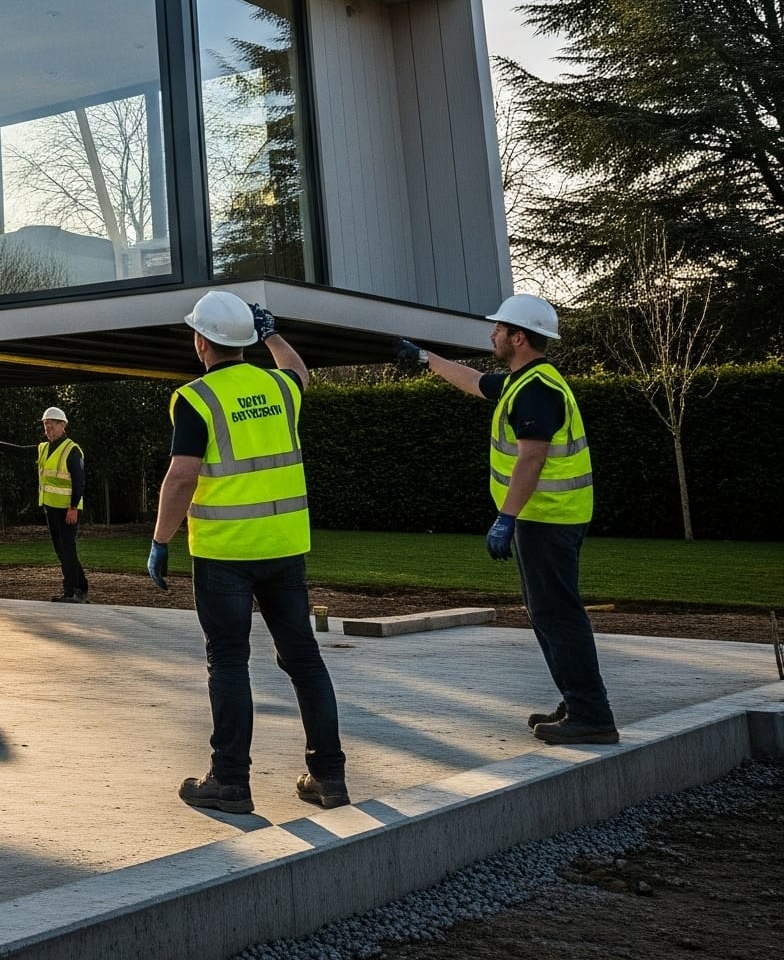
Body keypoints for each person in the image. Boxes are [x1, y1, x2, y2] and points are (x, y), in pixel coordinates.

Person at [148, 291, 348, 816]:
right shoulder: (279, 388)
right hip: (284, 548)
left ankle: (231, 782)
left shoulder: (195, 398)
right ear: (244, 340)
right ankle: (329, 776)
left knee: (229, 662)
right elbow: (299, 371)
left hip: (224, 553)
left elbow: (182, 475)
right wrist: (272, 333)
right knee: (304, 660)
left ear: (201, 342)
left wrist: (161, 540)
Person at [399, 294, 617, 744]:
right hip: (550, 518)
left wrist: (506, 518)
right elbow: (475, 381)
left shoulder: (536, 390)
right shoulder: (526, 381)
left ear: (519, 338)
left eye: (499, 329)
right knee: (548, 613)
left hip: (547, 518)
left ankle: (591, 713)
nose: (492, 334)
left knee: (557, 615)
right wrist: (425, 358)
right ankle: (577, 701)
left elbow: (531, 458)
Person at [0, 405, 89, 601]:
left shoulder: (72, 450)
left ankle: (71, 591)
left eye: (51, 424)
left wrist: (73, 507)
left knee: (67, 549)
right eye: (45, 424)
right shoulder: (44, 448)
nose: (47, 428)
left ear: (63, 425)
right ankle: (80, 587)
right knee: (63, 549)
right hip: (51, 507)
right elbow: (21, 452)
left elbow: (79, 481)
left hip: (67, 509)